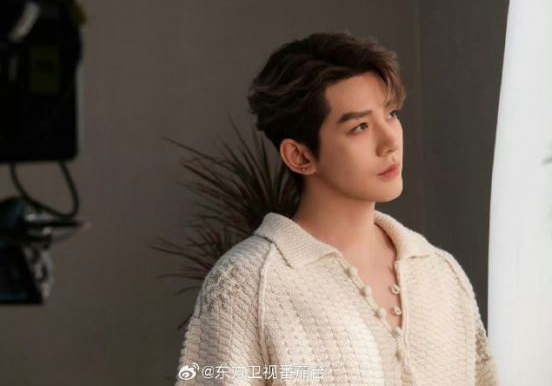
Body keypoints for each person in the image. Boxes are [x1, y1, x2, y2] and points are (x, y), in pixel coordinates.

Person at [175, 32, 499, 385]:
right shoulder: (247, 285)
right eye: (360, 127)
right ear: (300, 156)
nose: (390, 141)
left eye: (391, 114)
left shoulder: (440, 272)